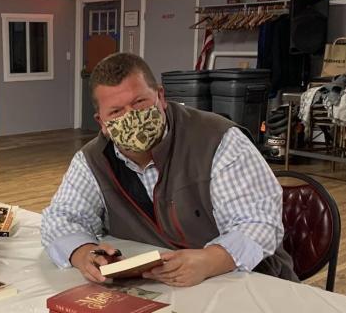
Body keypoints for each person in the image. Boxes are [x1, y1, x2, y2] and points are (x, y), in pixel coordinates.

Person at [41, 52, 296, 287]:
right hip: (159, 289)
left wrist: (209, 260)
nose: (132, 118)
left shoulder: (218, 139)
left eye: (140, 102)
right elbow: (61, 218)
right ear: (102, 123)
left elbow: (259, 223)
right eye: (117, 111)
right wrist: (83, 253)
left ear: (161, 97)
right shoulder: (92, 159)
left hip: (247, 284)